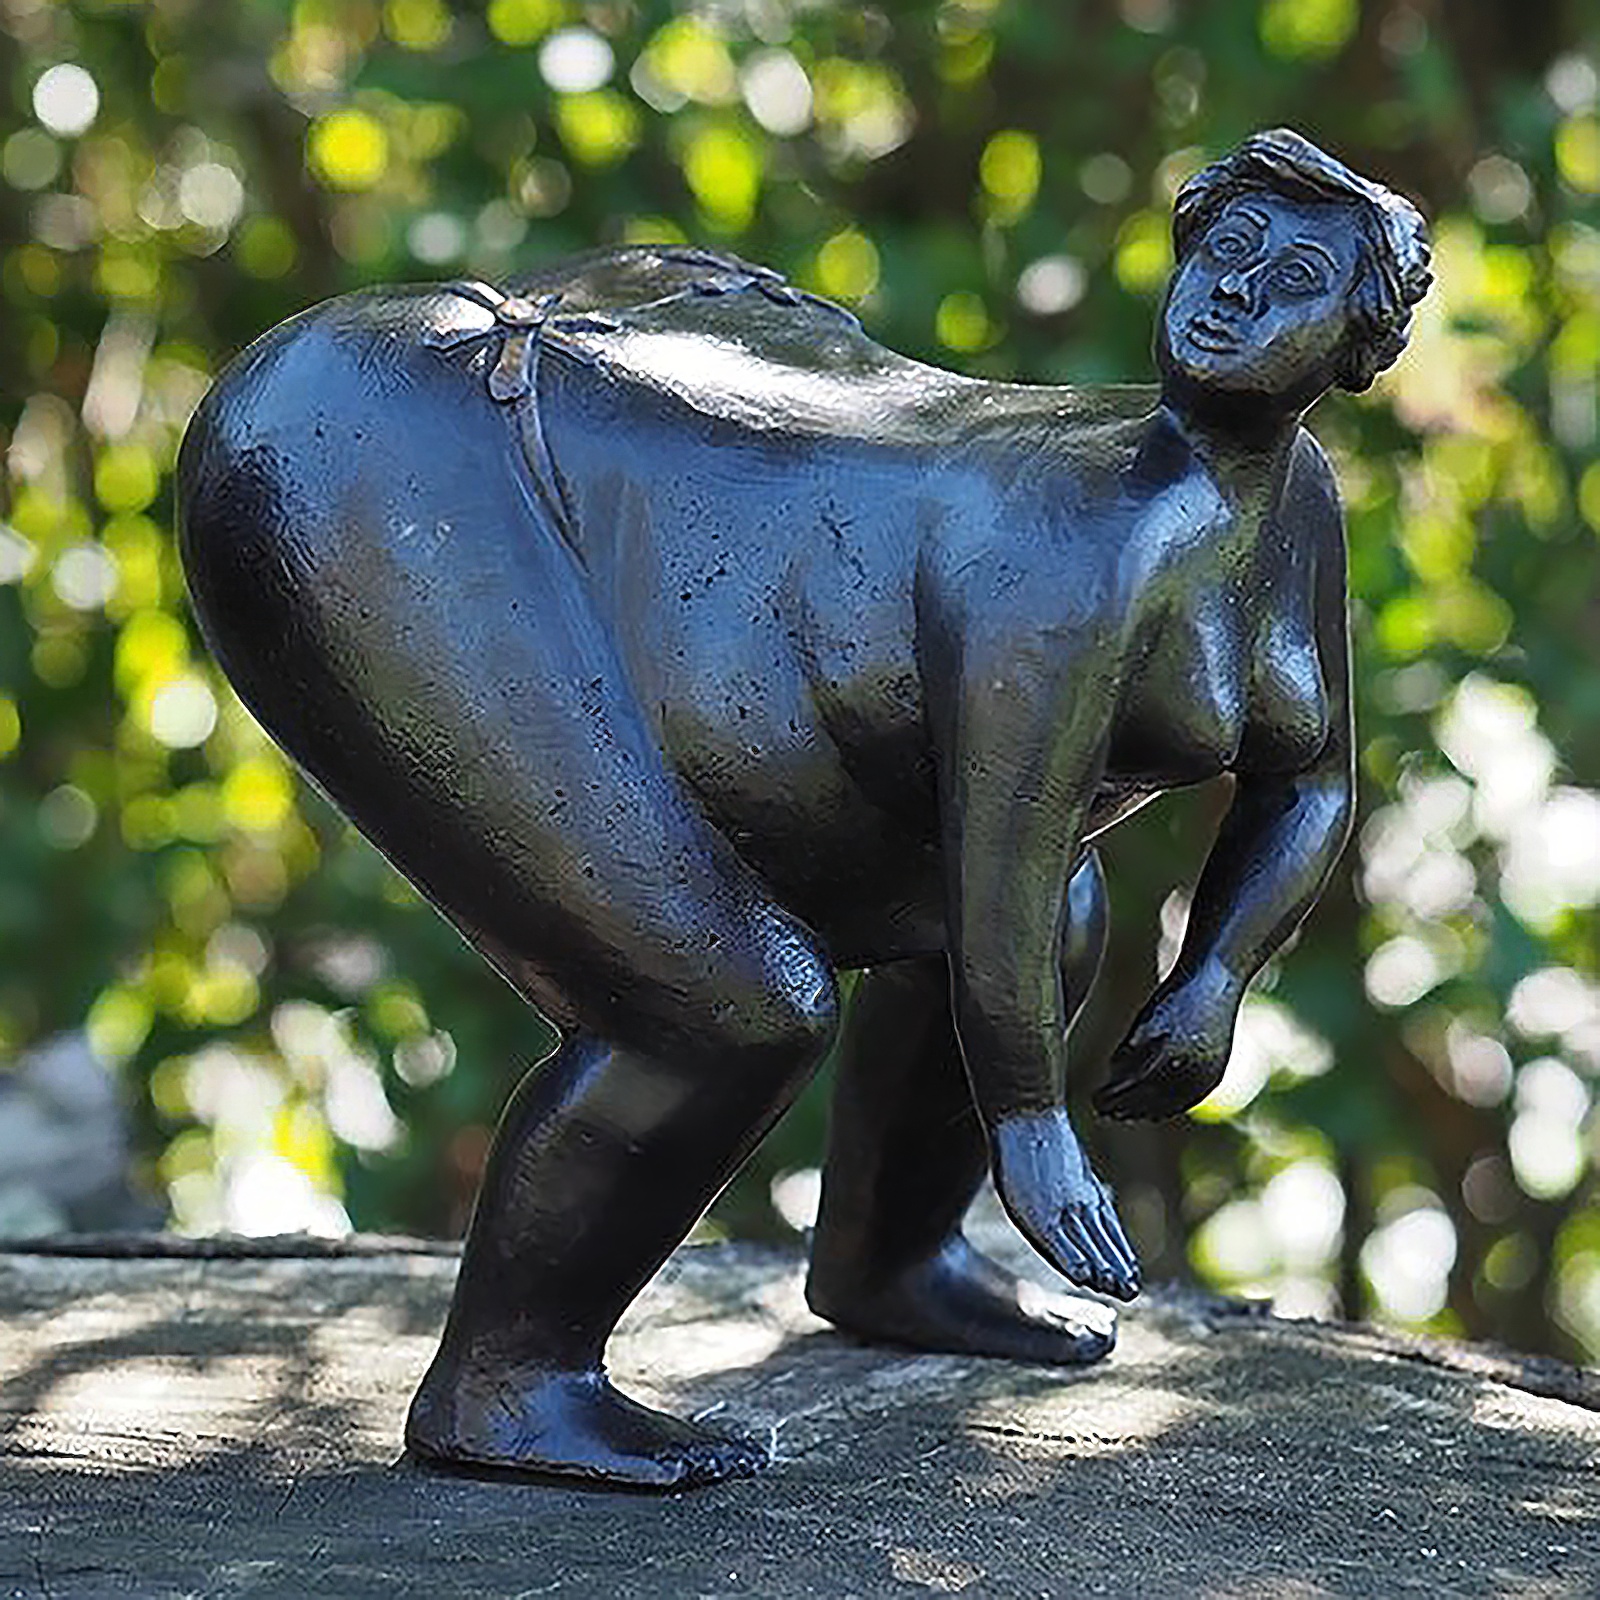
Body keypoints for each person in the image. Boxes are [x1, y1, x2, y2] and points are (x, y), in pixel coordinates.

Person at [177, 128, 1429, 1487]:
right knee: (731, 1003)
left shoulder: (1290, 505)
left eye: (1292, 275)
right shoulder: (1087, 550)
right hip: (385, 457)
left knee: (1056, 915)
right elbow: (997, 848)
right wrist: (1031, 1126)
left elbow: (1310, 780)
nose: (1234, 289)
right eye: (1226, 246)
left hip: (686, 468)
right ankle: (507, 1378)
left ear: (1354, 350)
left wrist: (1218, 976)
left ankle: (891, 1259)